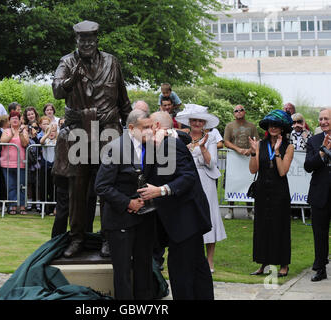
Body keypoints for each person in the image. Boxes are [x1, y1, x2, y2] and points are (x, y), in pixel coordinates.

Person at [52, 20, 131, 258]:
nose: (86, 44)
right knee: (77, 187)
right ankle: (77, 237)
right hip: (79, 132)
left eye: (90, 40)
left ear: (96, 41)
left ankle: (108, 236)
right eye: (81, 40)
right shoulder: (67, 62)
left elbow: (123, 99)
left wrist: (134, 132)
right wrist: (71, 80)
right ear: (76, 41)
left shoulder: (111, 62)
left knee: (108, 186)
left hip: (108, 130)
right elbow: (57, 90)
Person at [137, 111, 214, 300]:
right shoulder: (157, 145)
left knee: (183, 274)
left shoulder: (171, 144)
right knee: (196, 268)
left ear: (155, 126)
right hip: (176, 222)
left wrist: (160, 191)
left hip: (186, 220)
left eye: (145, 126)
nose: (141, 131)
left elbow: (187, 177)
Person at [95, 109, 155, 300]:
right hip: (120, 220)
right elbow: (102, 186)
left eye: (151, 127)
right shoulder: (116, 148)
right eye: (145, 128)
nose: (150, 131)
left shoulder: (152, 148)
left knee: (144, 269)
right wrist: (128, 202)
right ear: (131, 128)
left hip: (145, 219)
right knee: (122, 273)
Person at [175, 104, 227, 273]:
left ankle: (209, 261)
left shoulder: (210, 138)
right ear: (189, 121)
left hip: (206, 178)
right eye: (194, 120)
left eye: (200, 121)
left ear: (204, 123)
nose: (197, 123)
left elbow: (211, 163)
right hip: (187, 179)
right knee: (189, 216)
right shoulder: (181, 137)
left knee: (209, 216)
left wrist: (202, 147)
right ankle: (192, 258)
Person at [248, 109, 294, 277]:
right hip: (262, 190)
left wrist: (276, 152)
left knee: (279, 227)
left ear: (282, 128)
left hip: (279, 191)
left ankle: (283, 264)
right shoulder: (260, 144)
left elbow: (282, 171)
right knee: (262, 226)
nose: (273, 127)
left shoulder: (288, 146)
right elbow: (253, 169)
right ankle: (263, 263)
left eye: (276, 125)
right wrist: (253, 152)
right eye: (270, 125)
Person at [304, 108, 331, 282]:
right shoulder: (313, 141)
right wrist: (322, 152)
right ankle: (320, 268)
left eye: (326, 118)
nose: (323, 122)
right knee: (319, 234)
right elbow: (308, 166)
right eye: (320, 119)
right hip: (320, 194)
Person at [223, 105, 259, 220]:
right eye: (236, 111)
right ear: (234, 113)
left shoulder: (252, 126)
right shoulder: (229, 126)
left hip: (248, 159)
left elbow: (256, 140)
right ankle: (230, 210)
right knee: (231, 182)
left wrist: (250, 150)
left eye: (241, 110)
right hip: (234, 159)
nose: (239, 112)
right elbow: (226, 142)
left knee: (249, 182)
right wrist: (238, 149)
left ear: (245, 112)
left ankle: (249, 211)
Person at [0, 111, 29, 215]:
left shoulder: (24, 130)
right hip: (7, 163)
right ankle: (12, 205)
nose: (15, 120)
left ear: (20, 120)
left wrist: (20, 133)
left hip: (21, 163)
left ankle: (22, 206)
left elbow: (25, 143)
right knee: (11, 185)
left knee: (21, 186)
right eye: (13, 118)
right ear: (9, 120)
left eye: (17, 118)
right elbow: (2, 141)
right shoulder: (6, 131)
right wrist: (11, 134)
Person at [39, 117, 57, 216]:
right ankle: (45, 208)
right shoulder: (46, 140)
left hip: (55, 166)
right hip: (45, 166)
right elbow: (41, 141)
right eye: (49, 131)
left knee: (54, 188)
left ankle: (54, 207)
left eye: (53, 131)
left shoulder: (57, 141)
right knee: (44, 187)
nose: (51, 133)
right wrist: (47, 133)